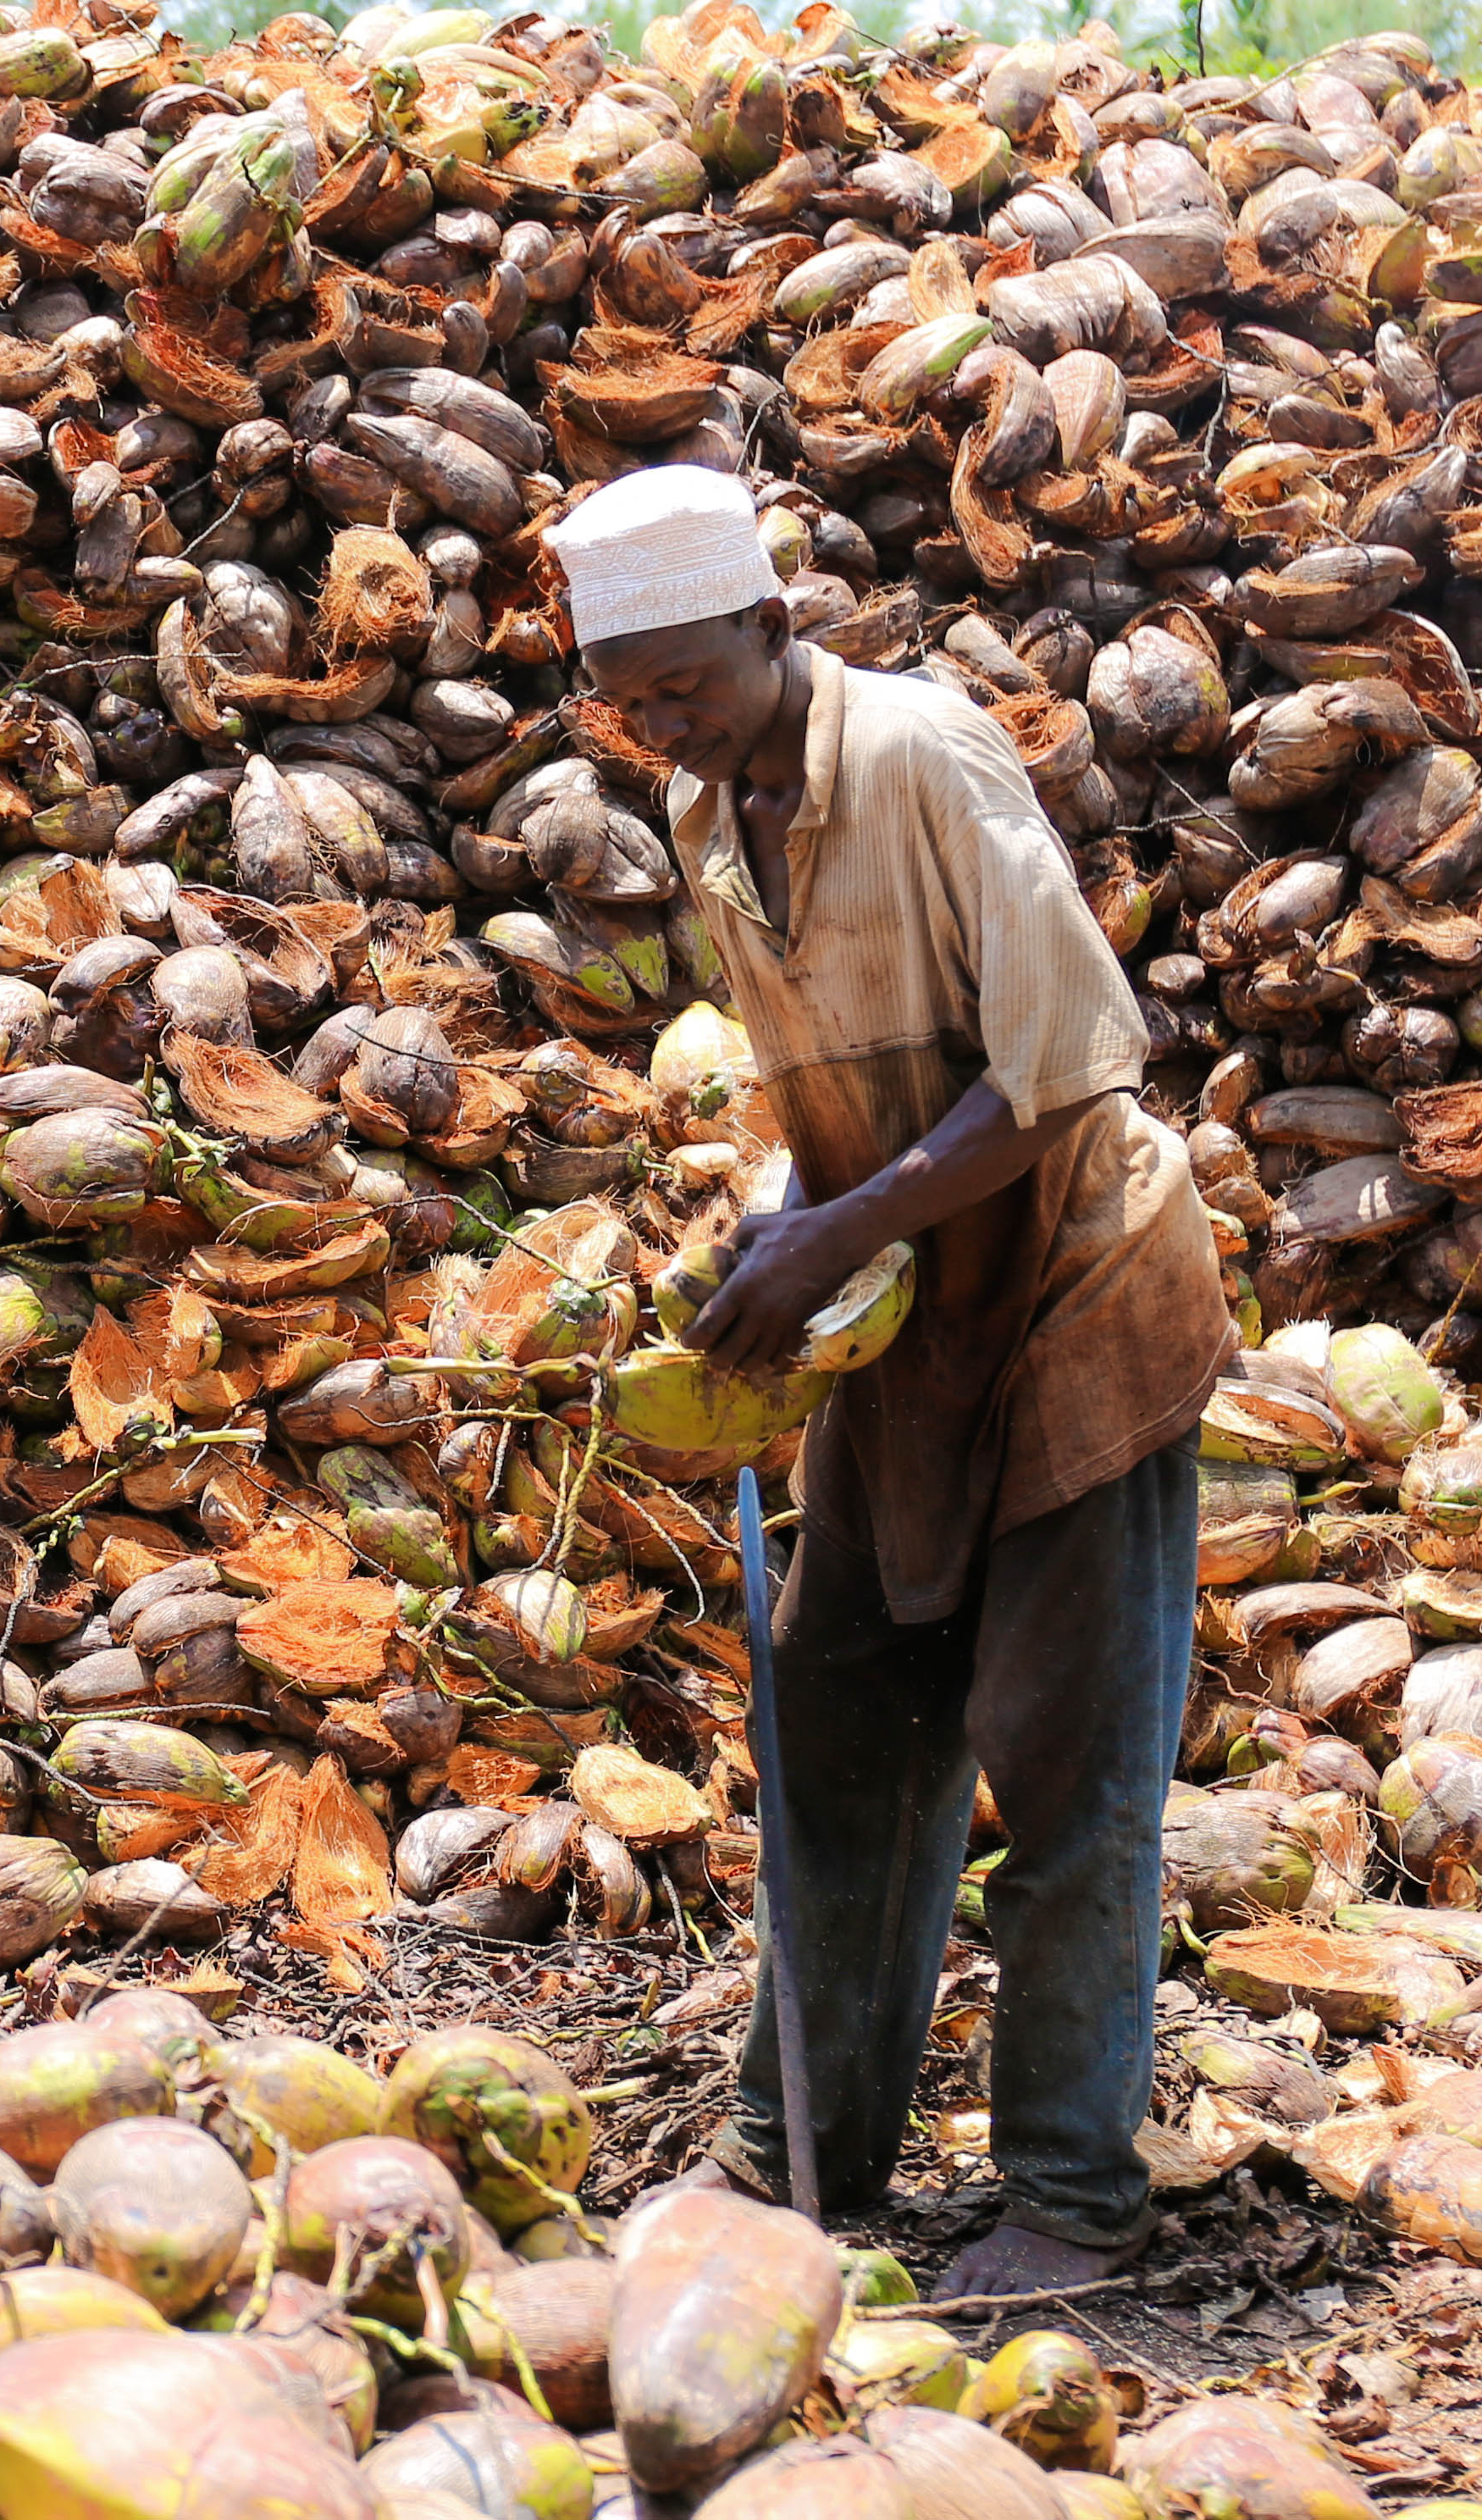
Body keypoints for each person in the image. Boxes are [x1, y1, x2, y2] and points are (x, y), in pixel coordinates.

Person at [546, 465, 1233, 2296]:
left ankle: (1073, 2199)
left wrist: (839, 1229)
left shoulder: (926, 758)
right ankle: (800, 2145)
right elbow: (835, 1091)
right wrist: (783, 1227)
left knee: (1067, 1771)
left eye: (686, 683)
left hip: (1076, 1296)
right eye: (627, 698)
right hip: (913, 1317)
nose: (661, 724)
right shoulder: (706, 804)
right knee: (840, 1732)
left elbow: (1072, 1059)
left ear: (773, 625)